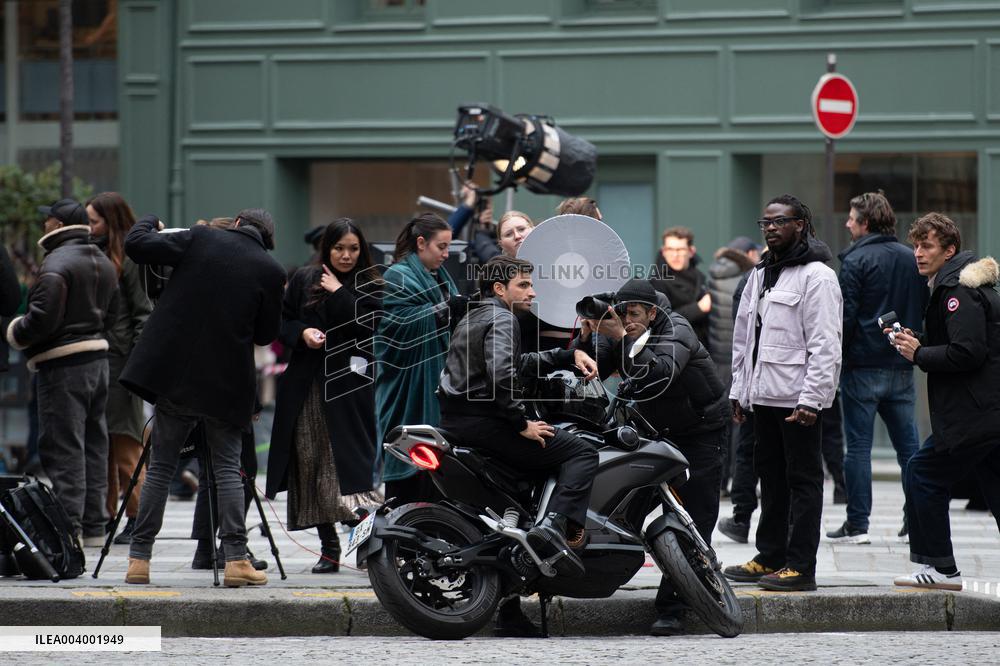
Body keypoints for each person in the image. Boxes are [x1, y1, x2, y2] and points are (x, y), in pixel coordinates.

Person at [120, 209, 285, 588]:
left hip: (176, 376)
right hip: (226, 385)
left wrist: (149, 219)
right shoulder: (271, 270)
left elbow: (136, 244)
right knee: (227, 469)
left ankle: (139, 560)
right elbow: (265, 335)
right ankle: (235, 560)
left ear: (239, 223)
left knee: (161, 466)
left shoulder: (201, 238)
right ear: (266, 238)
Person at [437, 255, 599, 589]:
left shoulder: (475, 315)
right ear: (500, 288)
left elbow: (517, 361)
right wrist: (520, 422)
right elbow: (502, 374)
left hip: (457, 420)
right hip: (487, 423)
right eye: (523, 285)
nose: (533, 293)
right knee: (582, 453)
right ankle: (553, 530)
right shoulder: (503, 318)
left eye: (532, 284)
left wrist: (568, 355)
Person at [577, 278, 727, 636]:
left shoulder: (676, 328)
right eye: (622, 313)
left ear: (652, 312)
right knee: (628, 503)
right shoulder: (626, 326)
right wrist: (589, 337)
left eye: (634, 314)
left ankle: (674, 607)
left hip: (699, 430)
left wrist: (624, 336)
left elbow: (660, 373)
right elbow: (594, 367)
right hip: (654, 429)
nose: (627, 319)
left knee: (695, 514)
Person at [724, 194, 842, 592]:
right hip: (763, 398)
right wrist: (739, 392)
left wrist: (812, 399)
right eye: (766, 222)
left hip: (797, 401)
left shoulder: (818, 276)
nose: (771, 228)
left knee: (804, 481)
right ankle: (770, 555)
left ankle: (800, 566)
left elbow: (826, 344)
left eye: (780, 221)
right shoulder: (761, 273)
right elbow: (745, 339)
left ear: (801, 225)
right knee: (769, 478)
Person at [267, 219, 384, 574]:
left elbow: (370, 324)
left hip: (350, 386)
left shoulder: (372, 282)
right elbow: (282, 322)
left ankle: (368, 546)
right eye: (339, 248)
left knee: (352, 468)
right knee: (311, 463)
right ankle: (328, 546)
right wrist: (302, 333)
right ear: (326, 248)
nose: (346, 256)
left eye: (353, 248)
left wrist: (338, 291)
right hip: (306, 383)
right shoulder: (304, 278)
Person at [891, 213, 1000, 591]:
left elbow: (968, 352)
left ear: (949, 250)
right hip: (986, 411)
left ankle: (940, 569)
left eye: (928, 246)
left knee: (922, 471)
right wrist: (917, 340)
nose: (918, 253)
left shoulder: (957, 292)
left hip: (974, 413)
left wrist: (920, 353)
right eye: (916, 245)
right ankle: (938, 568)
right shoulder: (955, 285)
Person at [6, 198, 118, 547]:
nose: (44, 226)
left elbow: (41, 319)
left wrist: (15, 331)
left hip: (63, 364)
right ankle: (95, 527)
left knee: (63, 446)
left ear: (57, 225)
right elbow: (112, 317)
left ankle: (69, 530)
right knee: (94, 446)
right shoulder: (102, 259)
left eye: (47, 220)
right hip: (97, 362)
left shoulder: (56, 262)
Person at [827, 192, 926, 545]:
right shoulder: (909, 258)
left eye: (852, 217)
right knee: (909, 449)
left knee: (857, 448)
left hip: (862, 366)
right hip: (902, 363)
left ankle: (858, 524)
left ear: (865, 222)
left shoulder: (855, 260)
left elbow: (847, 318)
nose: (847, 222)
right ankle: (916, 520)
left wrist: (837, 358)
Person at [375, 213, 464, 504]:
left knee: (438, 476)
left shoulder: (440, 278)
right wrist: (442, 311)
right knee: (409, 475)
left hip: (439, 384)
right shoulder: (397, 276)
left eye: (449, 247)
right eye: (442, 246)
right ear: (421, 243)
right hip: (407, 387)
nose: (446, 254)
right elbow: (392, 328)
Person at [86, 192, 153, 546]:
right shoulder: (99, 252)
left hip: (122, 363)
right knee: (107, 445)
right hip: (105, 360)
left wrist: (137, 367)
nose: (89, 226)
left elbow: (143, 313)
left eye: (94, 220)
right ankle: (110, 515)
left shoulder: (129, 256)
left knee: (126, 445)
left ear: (111, 221)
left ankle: (137, 516)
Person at [707, 237, 759, 500]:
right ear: (749, 253)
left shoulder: (712, 275)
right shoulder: (752, 276)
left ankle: (720, 483)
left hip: (716, 361)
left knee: (721, 425)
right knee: (742, 425)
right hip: (741, 359)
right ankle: (741, 483)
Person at [652, 227, 711, 346]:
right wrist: (699, 308)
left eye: (680, 249)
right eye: (670, 249)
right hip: (675, 350)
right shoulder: (657, 281)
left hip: (703, 350)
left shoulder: (700, 276)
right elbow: (661, 321)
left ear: (691, 251)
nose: (674, 255)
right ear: (663, 251)